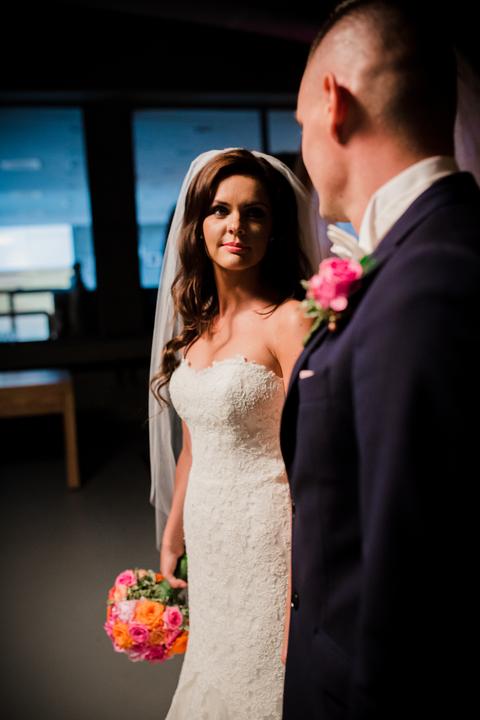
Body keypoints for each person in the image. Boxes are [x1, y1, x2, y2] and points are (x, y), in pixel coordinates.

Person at [281, 1, 480, 719]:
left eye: (300, 123)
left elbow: (416, 592)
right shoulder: (420, 253)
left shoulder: (428, 282)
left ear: (333, 103)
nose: (303, 146)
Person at [148, 148, 321, 719]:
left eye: (255, 213)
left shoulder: (289, 320)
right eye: (221, 210)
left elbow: (316, 462)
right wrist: (173, 536)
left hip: (268, 542)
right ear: (198, 224)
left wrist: (302, 595)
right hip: (210, 541)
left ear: (275, 229)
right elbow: (191, 450)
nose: (236, 226)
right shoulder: (195, 329)